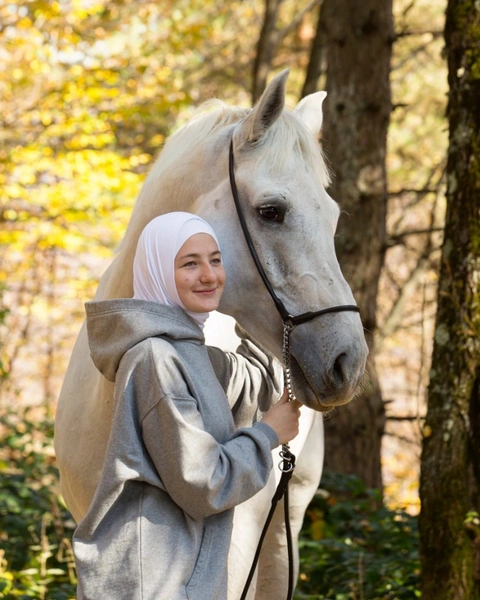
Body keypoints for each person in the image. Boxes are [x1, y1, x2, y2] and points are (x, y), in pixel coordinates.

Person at [73, 212, 301, 600]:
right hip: (148, 586)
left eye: (215, 260)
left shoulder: (190, 353)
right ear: (160, 271)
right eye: (189, 264)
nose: (209, 275)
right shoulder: (155, 359)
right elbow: (204, 484)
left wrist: (259, 297)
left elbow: (256, 382)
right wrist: (267, 435)